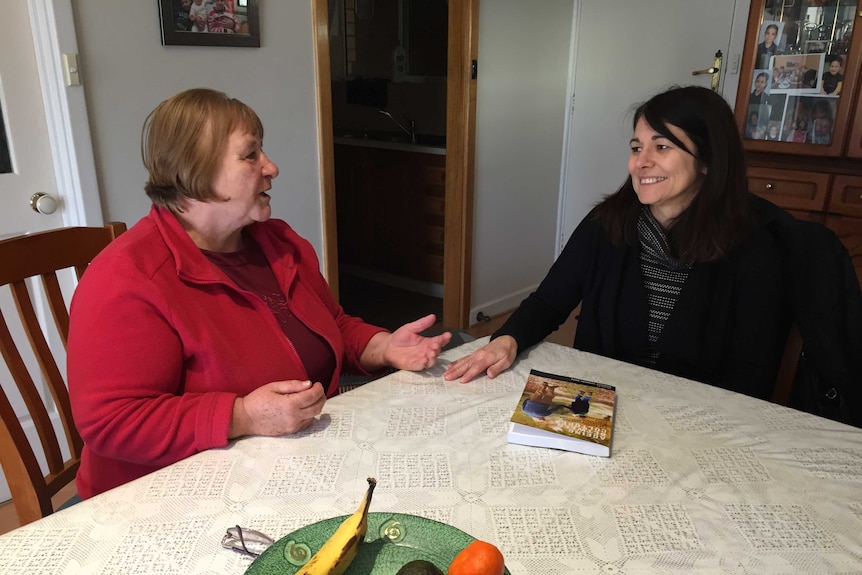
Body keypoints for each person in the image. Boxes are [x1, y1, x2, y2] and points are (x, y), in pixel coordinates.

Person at [67, 88, 452, 499]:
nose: (272, 167)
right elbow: (113, 422)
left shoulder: (278, 241)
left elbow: (332, 324)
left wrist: (384, 346)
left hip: (280, 466)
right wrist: (242, 415)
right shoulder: (128, 277)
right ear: (192, 170)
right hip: (168, 494)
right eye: (250, 155)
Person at [444, 86, 785, 400]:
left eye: (662, 147)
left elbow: (751, 373)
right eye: (637, 147)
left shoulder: (752, 247)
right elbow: (549, 302)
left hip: (693, 412)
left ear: (708, 160)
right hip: (602, 399)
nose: (641, 161)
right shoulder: (606, 225)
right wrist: (508, 339)